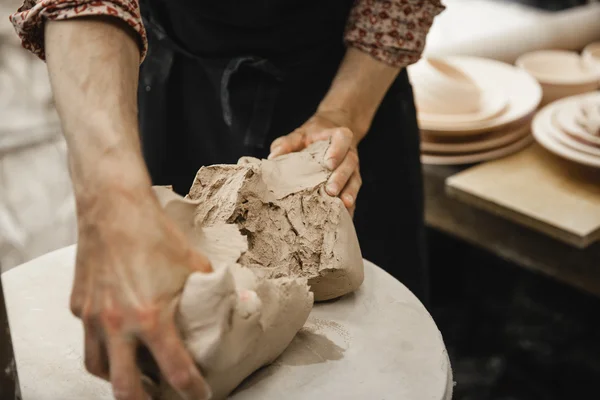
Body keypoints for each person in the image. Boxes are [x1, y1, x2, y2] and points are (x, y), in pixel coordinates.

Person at [10, 0, 444, 398]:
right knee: (161, 291)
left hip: (343, 78)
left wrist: (342, 112)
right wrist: (109, 194)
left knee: (385, 355)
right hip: (178, 78)